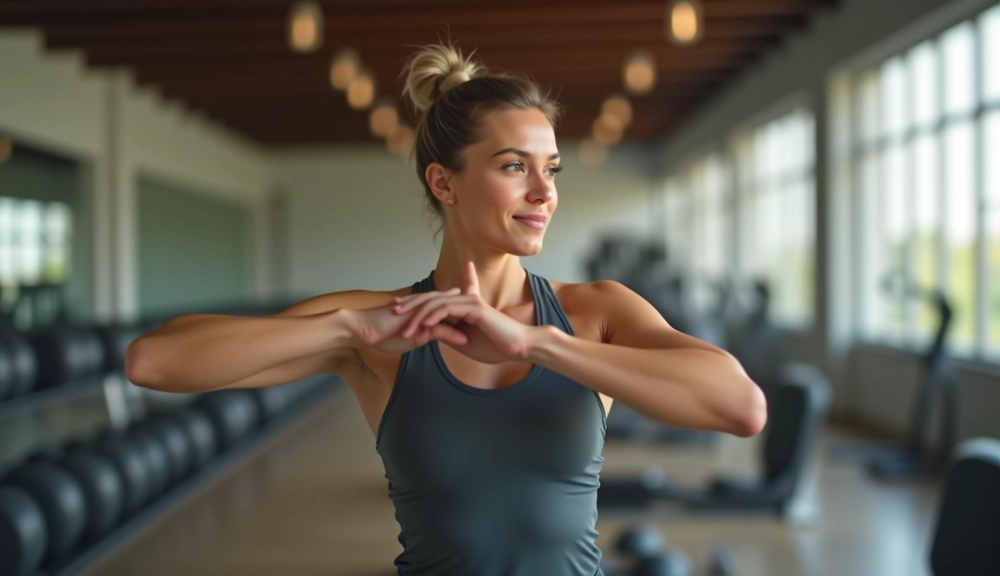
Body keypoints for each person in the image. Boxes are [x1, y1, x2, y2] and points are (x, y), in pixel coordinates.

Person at [125, 43, 766, 576]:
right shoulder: (379, 326)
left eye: (552, 169)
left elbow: (742, 407)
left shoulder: (593, 311)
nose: (545, 192)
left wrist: (534, 344)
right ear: (444, 182)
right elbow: (153, 362)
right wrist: (348, 328)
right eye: (515, 167)